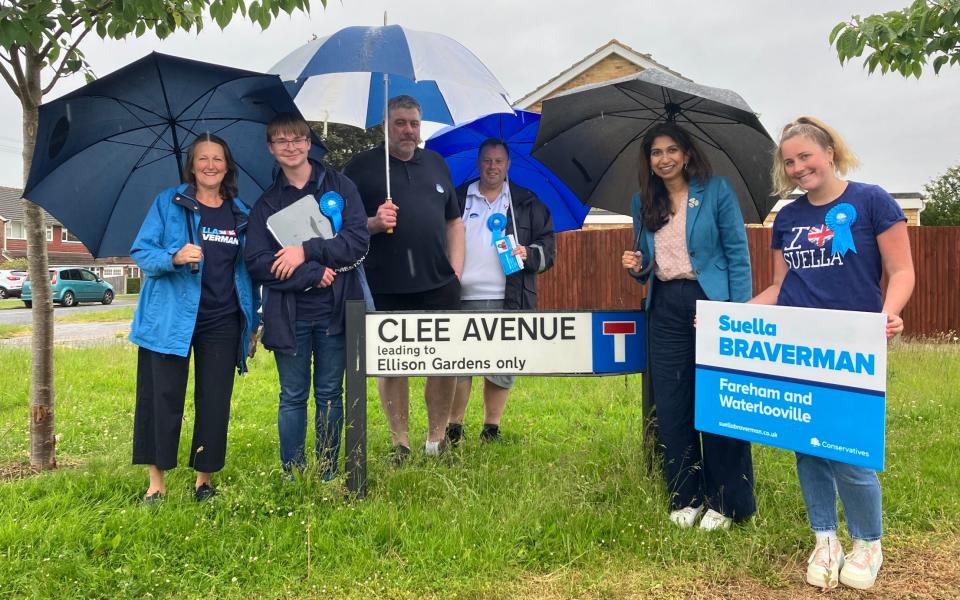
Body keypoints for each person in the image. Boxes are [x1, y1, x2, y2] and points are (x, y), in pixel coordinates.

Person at [749, 116, 914, 590]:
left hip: (854, 347)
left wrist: (889, 314)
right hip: (799, 347)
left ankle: (868, 542)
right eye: (790, 162)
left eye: (806, 156)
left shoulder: (872, 201)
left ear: (830, 153)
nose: (799, 168)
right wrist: (728, 317)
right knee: (807, 448)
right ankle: (825, 538)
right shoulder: (788, 218)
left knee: (850, 449)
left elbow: (901, 271)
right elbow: (780, 288)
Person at [621, 122, 755, 531]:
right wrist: (637, 267)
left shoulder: (716, 192)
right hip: (664, 307)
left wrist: (734, 313)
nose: (664, 159)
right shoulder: (642, 201)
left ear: (687, 154)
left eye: (671, 150)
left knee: (716, 400)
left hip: (711, 302)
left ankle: (726, 500)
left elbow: (737, 253)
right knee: (673, 403)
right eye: (655, 152)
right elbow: (648, 263)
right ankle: (685, 494)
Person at [129, 133, 260, 503]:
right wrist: (173, 256)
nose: (210, 165)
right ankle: (156, 484)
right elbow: (142, 251)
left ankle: (204, 480)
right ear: (192, 164)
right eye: (203, 158)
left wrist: (252, 321)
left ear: (227, 166)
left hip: (221, 320)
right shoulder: (168, 204)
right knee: (161, 397)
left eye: (217, 158)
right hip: (169, 318)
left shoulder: (241, 213)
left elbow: (249, 273)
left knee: (214, 399)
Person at [245, 113, 369, 480]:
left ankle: (328, 469)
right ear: (271, 148)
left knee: (331, 393)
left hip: (335, 311)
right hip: (289, 314)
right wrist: (312, 272)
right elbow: (256, 262)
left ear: (309, 142)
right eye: (281, 141)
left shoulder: (340, 187)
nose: (291, 147)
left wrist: (305, 250)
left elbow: (358, 241)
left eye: (298, 139)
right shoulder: (266, 204)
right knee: (293, 396)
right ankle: (293, 471)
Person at [343, 95, 465, 462]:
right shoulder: (360, 168)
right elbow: (342, 228)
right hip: (384, 285)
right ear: (386, 127)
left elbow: (454, 221)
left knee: (443, 364)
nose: (408, 130)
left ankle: (435, 440)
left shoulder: (436, 164)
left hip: (438, 285)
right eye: (400, 123)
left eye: (414, 123)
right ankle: (401, 443)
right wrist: (374, 224)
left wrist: (455, 272)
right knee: (394, 365)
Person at [447, 138, 555, 444]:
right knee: (459, 365)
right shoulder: (457, 198)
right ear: (478, 163)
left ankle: (491, 428)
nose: (492, 167)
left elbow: (549, 248)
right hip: (460, 297)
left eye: (498, 161)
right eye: (487, 160)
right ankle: (454, 427)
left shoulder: (526, 202)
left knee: (502, 364)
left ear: (508, 165)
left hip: (510, 298)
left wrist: (529, 254)